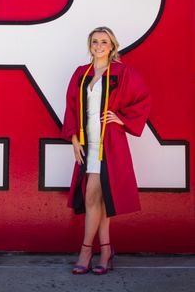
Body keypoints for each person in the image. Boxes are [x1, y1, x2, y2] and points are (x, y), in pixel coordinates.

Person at [62, 26, 151, 275]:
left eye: (104, 42)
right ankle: (107, 250)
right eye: (94, 42)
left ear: (112, 46)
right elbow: (70, 107)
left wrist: (122, 119)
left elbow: (143, 99)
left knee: (93, 196)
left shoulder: (122, 73)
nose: (99, 46)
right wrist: (73, 138)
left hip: (108, 143)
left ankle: (86, 251)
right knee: (98, 201)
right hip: (87, 142)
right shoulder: (81, 73)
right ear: (89, 45)